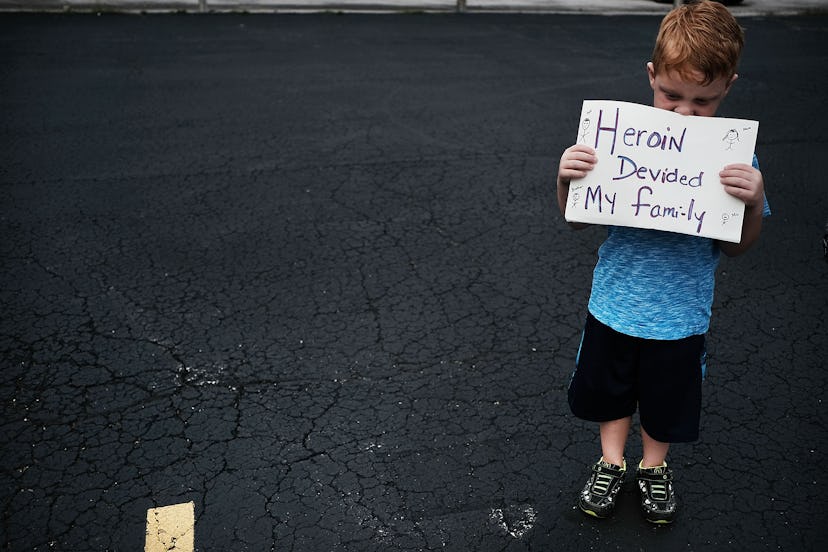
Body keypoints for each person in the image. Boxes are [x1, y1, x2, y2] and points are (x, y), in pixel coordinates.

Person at [555, 0, 770, 524]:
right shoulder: (616, 139)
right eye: (671, 94)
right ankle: (610, 462)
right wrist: (565, 179)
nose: (684, 112)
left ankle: (653, 467)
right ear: (651, 77)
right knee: (609, 391)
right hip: (614, 303)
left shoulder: (733, 158)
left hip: (680, 315)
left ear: (728, 88)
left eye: (703, 101)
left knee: (665, 399)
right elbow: (578, 219)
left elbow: (740, 246)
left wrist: (754, 200)